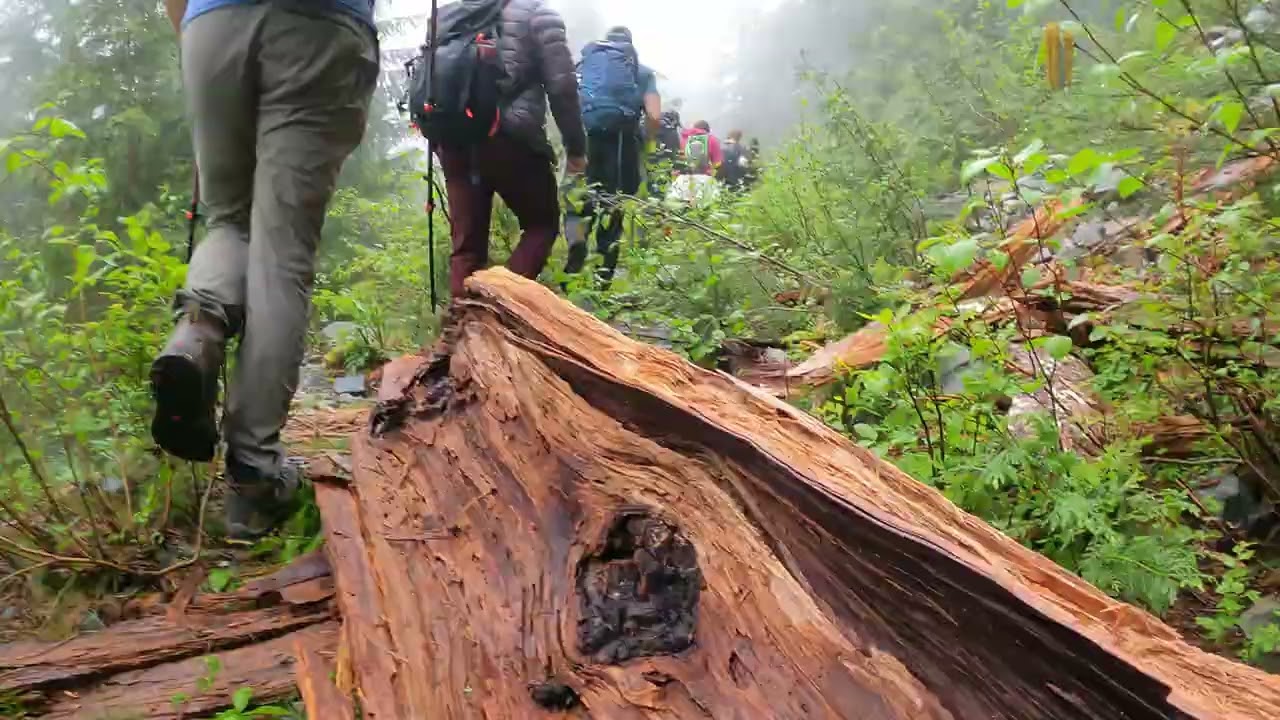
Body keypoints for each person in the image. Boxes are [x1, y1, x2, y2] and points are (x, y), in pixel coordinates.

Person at [152, 0, 379, 539]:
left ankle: (196, 335)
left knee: (228, 219)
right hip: (317, 27)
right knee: (283, 252)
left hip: (211, 25)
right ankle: (254, 475)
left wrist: (198, 31)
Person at [435, 0, 587, 298]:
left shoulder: (449, 17)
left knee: (466, 248)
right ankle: (499, 307)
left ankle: (462, 319)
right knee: (541, 224)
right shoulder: (538, 14)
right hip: (510, 136)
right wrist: (576, 148)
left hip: (453, 140)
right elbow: (562, 87)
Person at [564, 26, 661, 285]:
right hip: (622, 145)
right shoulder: (642, 72)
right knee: (613, 206)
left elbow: (568, 101)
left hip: (585, 140)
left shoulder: (586, 67)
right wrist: (646, 140)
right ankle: (603, 278)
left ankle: (576, 243)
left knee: (577, 200)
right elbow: (654, 116)